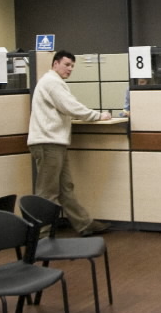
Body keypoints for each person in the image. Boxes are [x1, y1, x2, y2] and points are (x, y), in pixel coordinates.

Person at [28, 50, 112, 237]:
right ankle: (40, 234)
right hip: (48, 143)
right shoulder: (52, 82)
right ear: (55, 64)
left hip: (54, 142)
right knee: (47, 191)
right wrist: (98, 116)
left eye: (72, 66)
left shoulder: (53, 82)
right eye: (67, 64)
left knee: (65, 187)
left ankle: (84, 224)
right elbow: (71, 107)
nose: (70, 69)